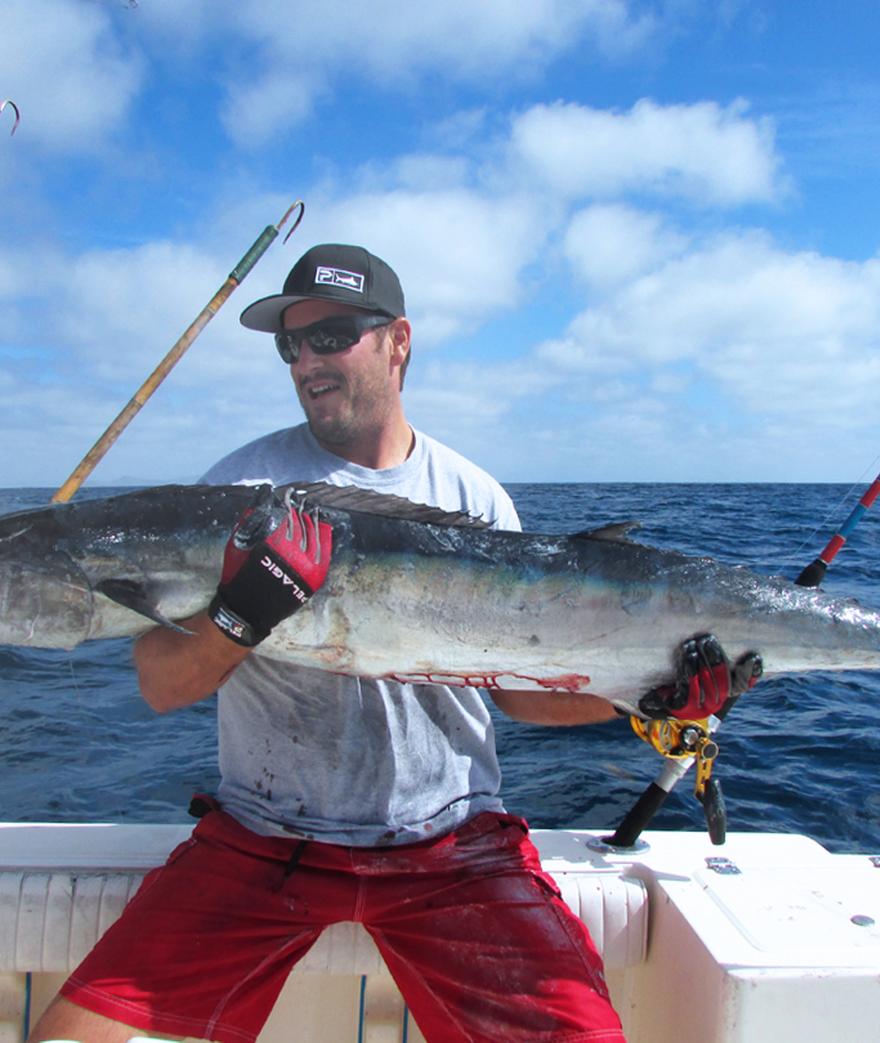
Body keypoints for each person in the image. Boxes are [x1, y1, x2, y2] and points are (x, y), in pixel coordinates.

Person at [30, 244, 757, 1043]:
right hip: (264, 839)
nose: (307, 359)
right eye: (290, 344)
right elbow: (162, 684)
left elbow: (516, 692)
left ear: (398, 341)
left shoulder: (472, 496)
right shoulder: (237, 492)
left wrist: (643, 697)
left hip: (451, 848)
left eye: (332, 334)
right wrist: (242, 616)